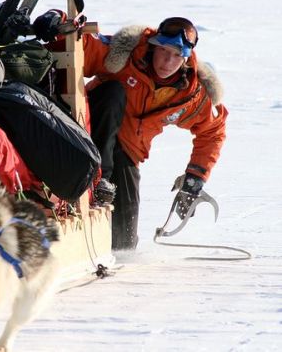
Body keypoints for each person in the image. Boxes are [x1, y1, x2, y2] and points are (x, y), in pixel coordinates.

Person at [80, 17, 228, 250]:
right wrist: (61, 24)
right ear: (153, 46)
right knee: (113, 93)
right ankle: (100, 181)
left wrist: (195, 178)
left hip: (128, 151)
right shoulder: (127, 56)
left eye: (177, 55)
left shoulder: (190, 93)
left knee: (124, 243)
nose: (169, 62)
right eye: (164, 51)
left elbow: (212, 131)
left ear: (187, 58)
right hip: (88, 134)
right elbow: (82, 46)